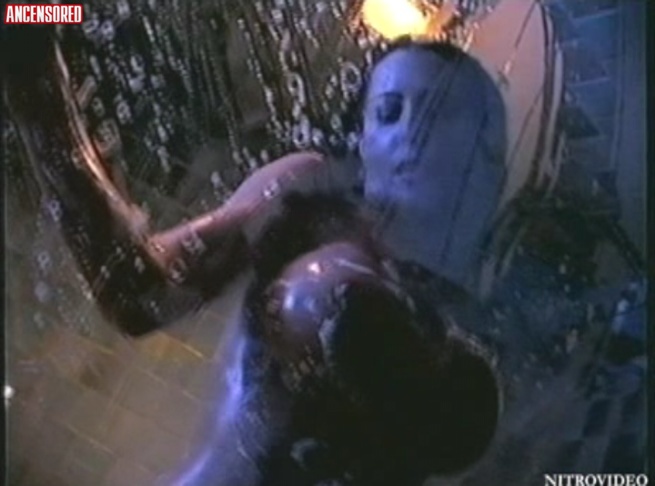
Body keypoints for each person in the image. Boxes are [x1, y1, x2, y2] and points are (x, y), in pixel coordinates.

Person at [7, 31, 504, 485]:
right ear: (364, 138)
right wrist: (33, 64)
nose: (412, 136)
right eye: (389, 112)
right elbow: (136, 291)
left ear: (490, 151)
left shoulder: (491, 327)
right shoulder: (306, 196)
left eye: (443, 114)